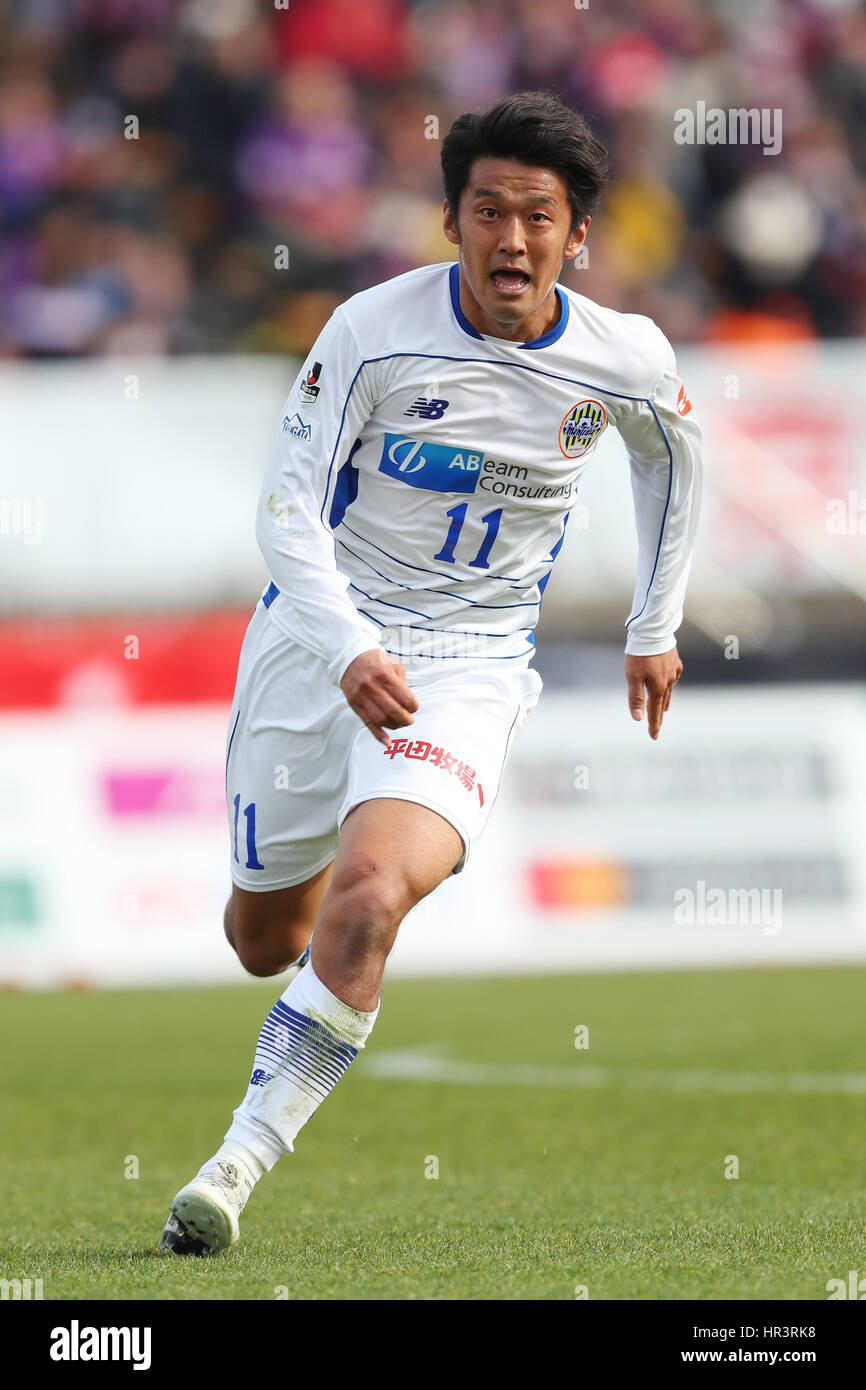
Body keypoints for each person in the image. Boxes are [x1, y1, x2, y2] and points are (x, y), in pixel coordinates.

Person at [159, 90, 703, 1255]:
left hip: (469, 664)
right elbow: (284, 509)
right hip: (318, 645)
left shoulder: (625, 358)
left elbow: (672, 462)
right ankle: (303, 972)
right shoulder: (368, 328)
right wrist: (349, 643)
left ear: (578, 235)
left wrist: (652, 626)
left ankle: (233, 1167)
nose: (512, 240)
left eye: (538, 218)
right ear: (449, 221)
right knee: (264, 938)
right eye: (487, 212)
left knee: (369, 898)